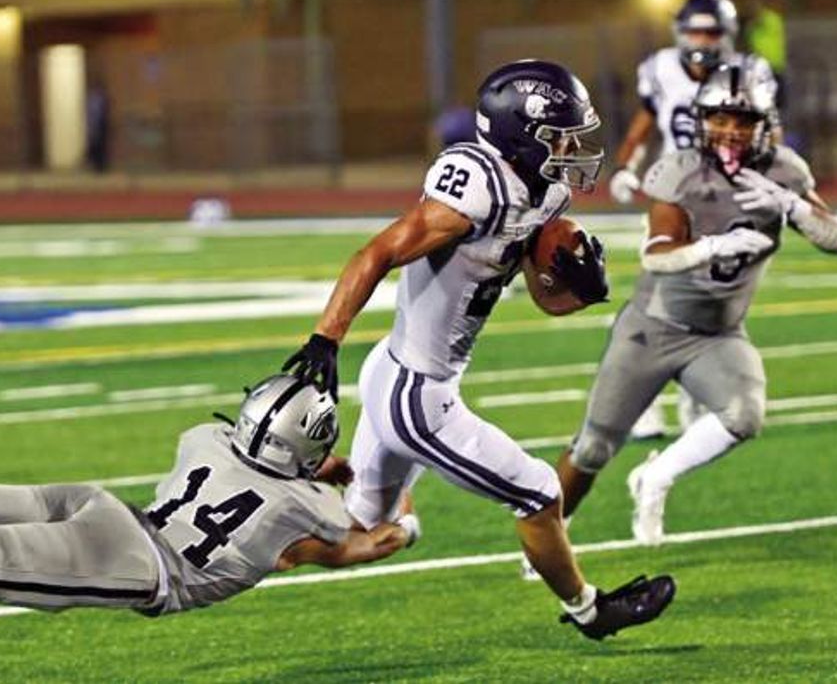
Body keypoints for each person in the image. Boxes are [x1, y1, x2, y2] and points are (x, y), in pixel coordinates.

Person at [283, 59, 676, 640]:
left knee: (364, 530)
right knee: (540, 494)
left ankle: (243, 549)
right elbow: (378, 253)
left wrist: (579, 288)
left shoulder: (544, 193)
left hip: (402, 379)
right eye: (557, 135)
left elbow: (545, 299)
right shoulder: (477, 187)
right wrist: (325, 337)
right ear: (519, 134)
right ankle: (591, 612)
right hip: (417, 395)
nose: (571, 147)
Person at [0, 375, 419, 616]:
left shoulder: (203, 439)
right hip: (139, 564)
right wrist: (402, 511)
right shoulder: (301, 507)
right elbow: (360, 537)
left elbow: (284, 470)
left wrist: (320, 468)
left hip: (106, 507)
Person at [557, 63, 837, 546]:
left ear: (764, 124)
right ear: (700, 118)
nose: (731, 131)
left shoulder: (784, 171)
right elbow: (656, 256)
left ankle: (655, 478)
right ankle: (550, 534)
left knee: (744, 416)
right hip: (653, 329)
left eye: (743, 120)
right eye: (720, 117)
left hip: (719, 335)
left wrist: (791, 206)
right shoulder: (679, 171)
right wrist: (712, 247)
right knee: (593, 447)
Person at [608, 0, 778, 439]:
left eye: (712, 31)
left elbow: (769, 132)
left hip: (727, 194)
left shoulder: (750, 71)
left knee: (714, 300)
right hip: (677, 188)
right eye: (696, 30)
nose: (703, 40)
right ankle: (645, 403)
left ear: (728, 35)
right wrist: (626, 166)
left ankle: (695, 394)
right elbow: (643, 123)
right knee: (656, 297)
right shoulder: (660, 68)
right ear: (681, 33)